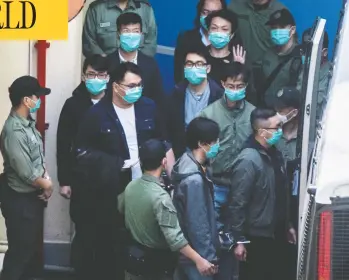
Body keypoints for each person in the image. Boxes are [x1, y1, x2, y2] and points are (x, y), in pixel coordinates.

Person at [73, 62, 175, 280]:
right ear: (115, 86)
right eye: (130, 85)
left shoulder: (149, 107)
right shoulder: (97, 114)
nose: (136, 90)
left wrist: (170, 178)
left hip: (147, 189)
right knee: (112, 246)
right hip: (113, 191)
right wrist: (116, 163)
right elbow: (81, 152)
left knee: (146, 246)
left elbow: (165, 141)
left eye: (139, 85)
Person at [118, 139, 217, 280]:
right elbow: (175, 239)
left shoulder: (130, 187)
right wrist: (199, 260)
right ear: (164, 162)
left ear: (141, 161)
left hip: (134, 260)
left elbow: (121, 209)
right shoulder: (160, 198)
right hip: (155, 266)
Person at [56, 55, 110, 278]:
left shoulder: (116, 103)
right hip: (81, 180)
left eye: (100, 75)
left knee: (107, 234)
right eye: (91, 74)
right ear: (83, 76)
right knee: (85, 232)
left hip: (110, 181)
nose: (95, 79)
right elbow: (62, 143)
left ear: (108, 78)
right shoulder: (73, 105)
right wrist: (65, 181)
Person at [226, 108, 296, 280]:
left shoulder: (275, 155)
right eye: (277, 127)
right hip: (257, 239)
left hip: (277, 234)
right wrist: (239, 240)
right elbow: (237, 203)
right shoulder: (248, 161)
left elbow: (280, 193)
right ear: (262, 132)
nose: (281, 130)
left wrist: (287, 225)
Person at [200, 62, 255, 279]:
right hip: (216, 183)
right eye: (231, 85)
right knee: (214, 235)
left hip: (243, 187)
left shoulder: (253, 114)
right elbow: (199, 151)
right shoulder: (208, 113)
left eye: (239, 85)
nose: (235, 89)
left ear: (246, 86)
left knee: (240, 238)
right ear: (223, 84)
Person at [0, 76, 53, 280]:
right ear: (26, 100)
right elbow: (26, 171)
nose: (39, 100)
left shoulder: (28, 124)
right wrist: (47, 185)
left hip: (31, 198)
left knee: (29, 251)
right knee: (19, 253)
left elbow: (37, 158)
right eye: (36, 96)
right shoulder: (13, 131)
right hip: (19, 199)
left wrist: (45, 176)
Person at [172, 117, 220, 280]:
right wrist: (209, 257)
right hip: (198, 257)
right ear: (202, 143)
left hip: (189, 252)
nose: (218, 144)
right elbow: (197, 223)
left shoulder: (186, 161)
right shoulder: (194, 180)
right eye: (215, 141)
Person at [168, 44, 223, 159]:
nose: (194, 68)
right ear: (184, 68)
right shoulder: (176, 93)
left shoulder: (219, 95)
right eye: (189, 64)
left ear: (208, 68)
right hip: (182, 157)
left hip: (212, 157)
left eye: (199, 64)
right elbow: (170, 130)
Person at [108, 12, 165, 109]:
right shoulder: (107, 63)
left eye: (135, 31)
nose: (131, 36)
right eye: (126, 31)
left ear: (141, 34)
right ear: (118, 34)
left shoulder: (150, 65)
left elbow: (158, 98)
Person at [274, 87, 301, 280]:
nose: (278, 113)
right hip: (273, 205)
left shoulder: (306, 138)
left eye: (283, 109)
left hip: (296, 205)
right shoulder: (272, 135)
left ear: (295, 112)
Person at [174, 0, 227, 84]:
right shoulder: (186, 39)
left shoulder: (232, 42)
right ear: (200, 13)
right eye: (205, 12)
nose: (209, 17)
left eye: (215, 13)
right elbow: (179, 75)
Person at [82, 0, 157, 58]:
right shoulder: (97, 9)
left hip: (137, 70)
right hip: (105, 70)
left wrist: (136, 64)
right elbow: (90, 43)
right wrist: (105, 64)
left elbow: (150, 44)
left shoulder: (145, 9)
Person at [260, 9, 302, 108]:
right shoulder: (268, 54)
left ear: (292, 30)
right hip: (267, 111)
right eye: (274, 28)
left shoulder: (300, 57)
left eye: (282, 27)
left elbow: (301, 91)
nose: (277, 31)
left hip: (288, 113)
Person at [228, 0, 287, 65]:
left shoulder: (280, 12)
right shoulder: (235, 6)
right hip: (239, 65)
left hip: (269, 67)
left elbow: (289, 45)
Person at [206, 9, 246, 85]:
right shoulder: (199, 56)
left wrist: (240, 69)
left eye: (224, 29)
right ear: (208, 31)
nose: (218, 33)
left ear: (231, 35)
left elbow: (248, 91)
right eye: (214, 28)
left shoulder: (239, 58)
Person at [302, 28, 331, 122]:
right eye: (304, 49)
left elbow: (315, 106)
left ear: (324, 52)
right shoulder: (302, 67)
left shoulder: (330, 74)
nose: (306, 54)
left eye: (311, 50)